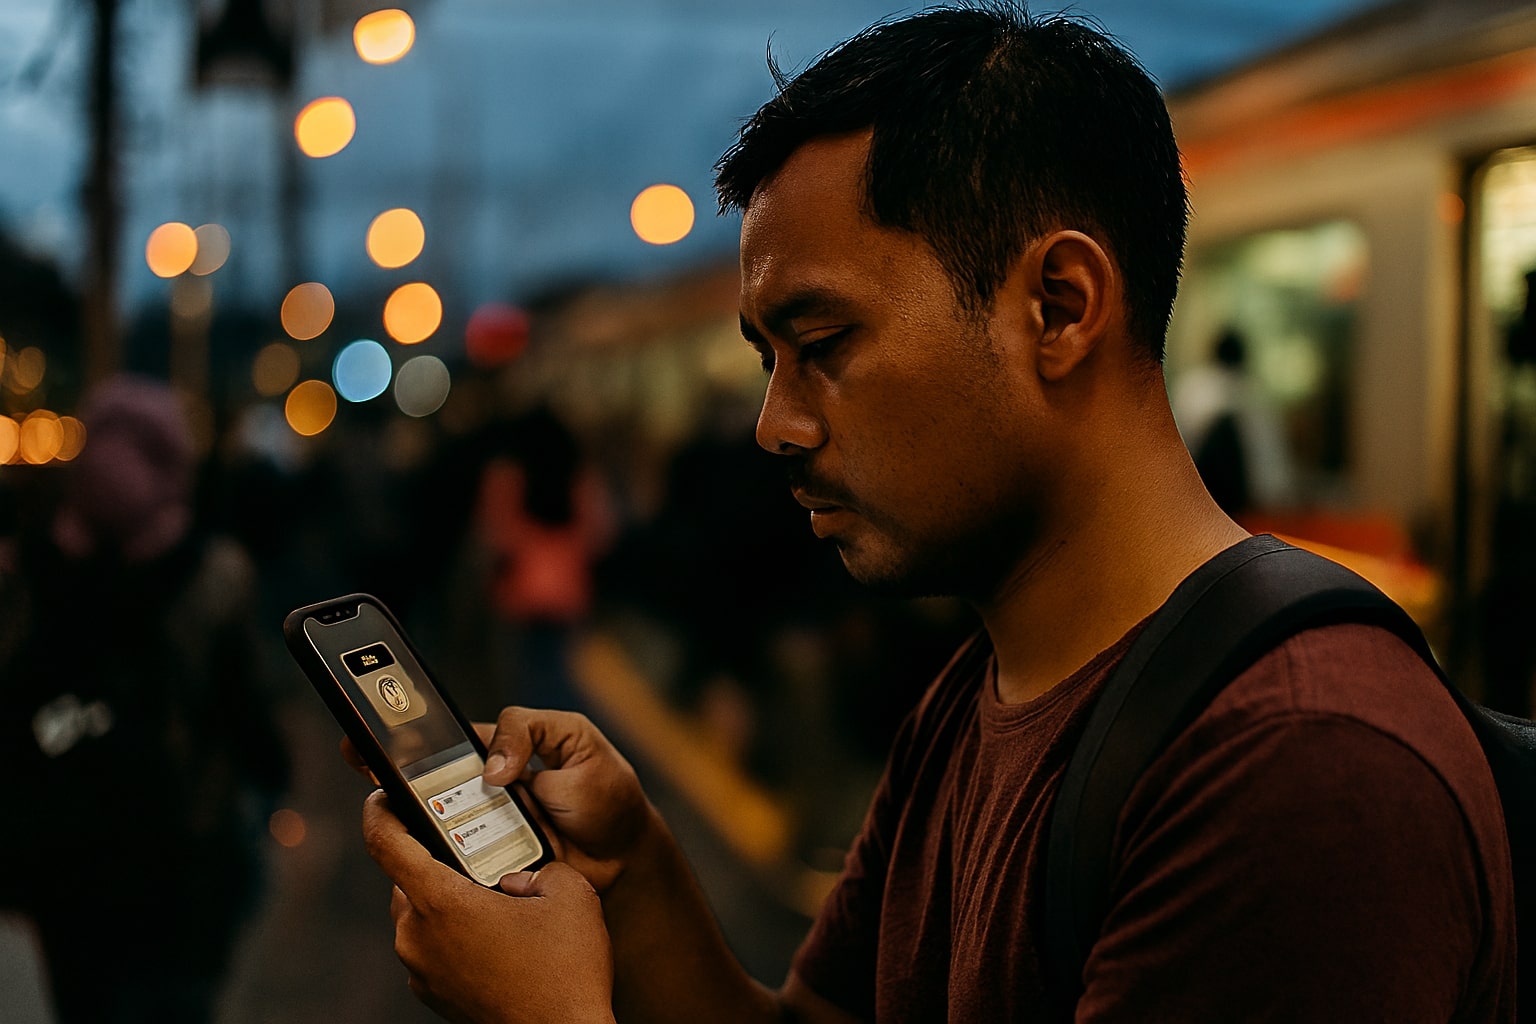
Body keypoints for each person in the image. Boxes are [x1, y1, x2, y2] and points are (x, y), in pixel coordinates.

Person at [356, 5, 1516, 1021]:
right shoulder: (979, 693)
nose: (773, 426)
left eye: (823, 344)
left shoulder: (1296, 769)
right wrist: (638, 872)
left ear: (1059, 307)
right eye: (766, 360)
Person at [0, 374, 290, 1023]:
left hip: (61, 860)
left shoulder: (30, 567)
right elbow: (248, 715)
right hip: (182, 852)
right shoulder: (214, 572)